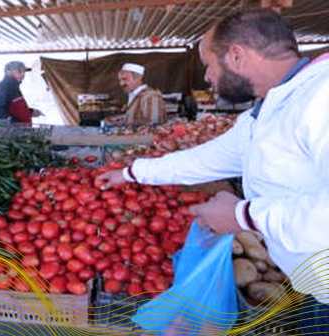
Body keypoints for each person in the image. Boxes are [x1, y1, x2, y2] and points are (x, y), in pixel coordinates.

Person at [96, 9, 329, 333]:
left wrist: (244, 215)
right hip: (317, 289)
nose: (207, 77)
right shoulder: (270, 108)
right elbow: (208, 158)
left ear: (236, 55)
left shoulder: (321, 97)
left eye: (209, 65)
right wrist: (132, 173)